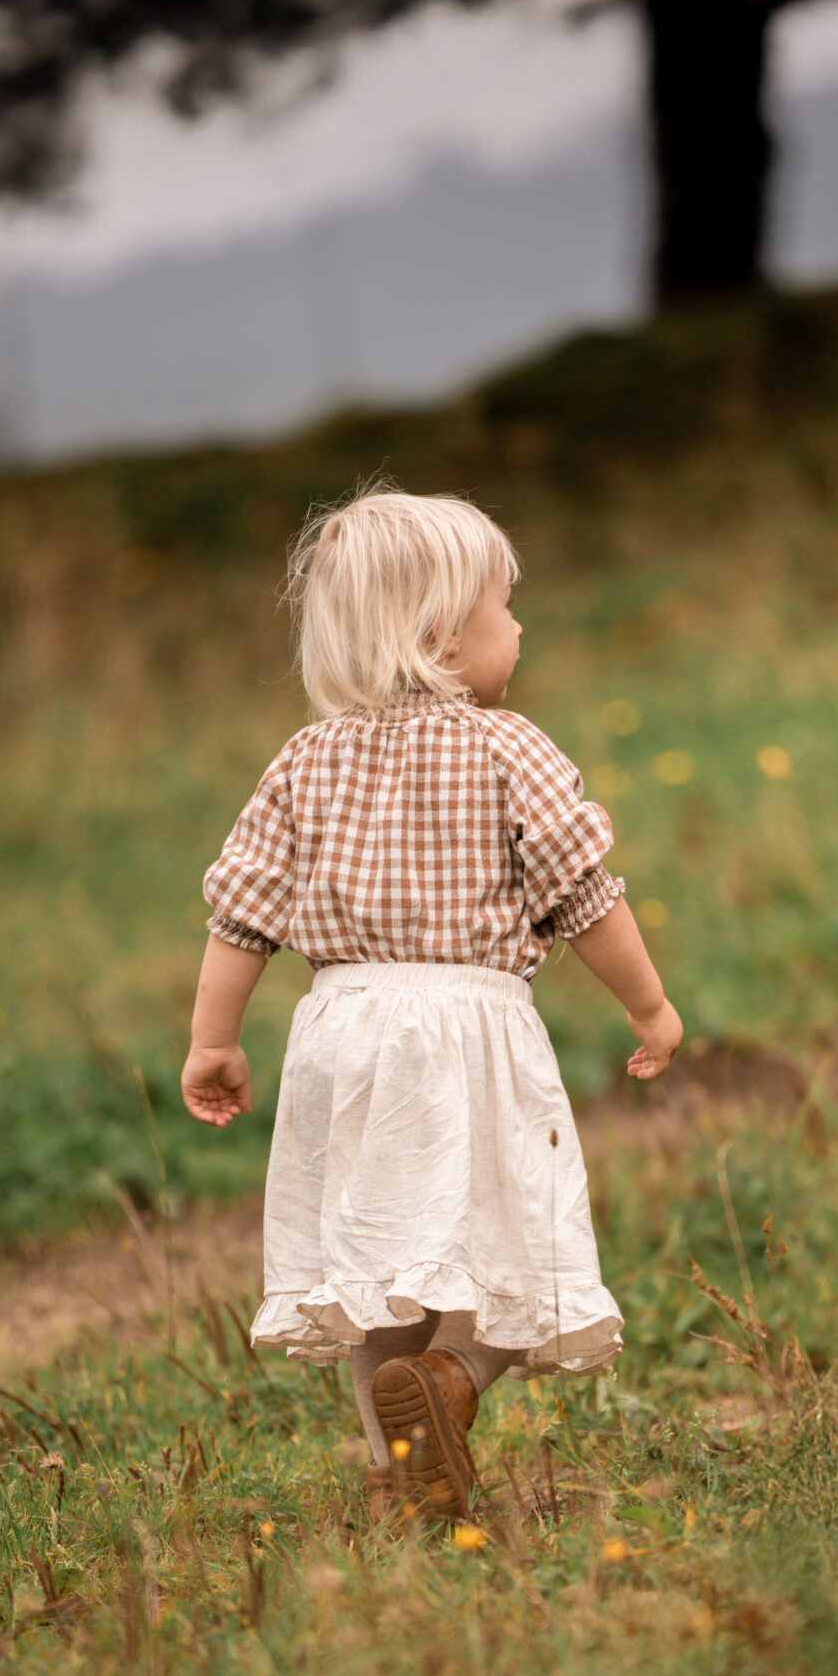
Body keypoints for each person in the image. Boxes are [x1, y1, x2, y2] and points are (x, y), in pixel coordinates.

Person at [179, 484, 681, 1524]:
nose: (520, 628)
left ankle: (395, 1477)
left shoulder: (304, 760)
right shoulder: (508, 748)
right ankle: (451, 1378)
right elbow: (585, 896)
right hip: (468, 1031)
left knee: (376, 1262)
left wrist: (213, 1040)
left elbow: (242, 916)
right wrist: (649, 1006)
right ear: (441, 634)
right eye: (505, 608)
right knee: (510, 1242)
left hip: (342, 1033)